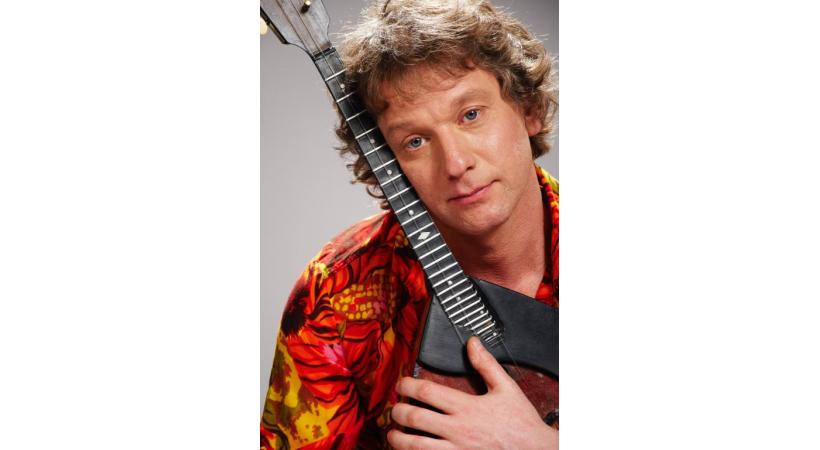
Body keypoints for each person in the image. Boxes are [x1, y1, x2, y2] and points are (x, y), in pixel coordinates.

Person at [261, 0, 558, 448]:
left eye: (471, 115)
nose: (455, 164)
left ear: (528, 108)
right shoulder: (335, 293)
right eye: (415, 141)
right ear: (388, 163)